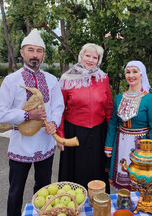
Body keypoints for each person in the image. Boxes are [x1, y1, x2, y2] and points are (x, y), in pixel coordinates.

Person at [0, 29, 64, 216]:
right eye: (30, 50)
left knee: (44, 190)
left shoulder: (51, 79)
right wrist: (27, 116)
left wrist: (54, 122)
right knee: (16, 191)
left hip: (45, 144)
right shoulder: (11, 80)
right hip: (20, 146)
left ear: (44, 55)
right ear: (22, 53)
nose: (35, 55)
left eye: (39, 51)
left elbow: (58, 106)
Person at [56, 43, 113, 192]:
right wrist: (60, 136)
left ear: (99, 60)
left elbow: (108, 107)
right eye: (87, 55)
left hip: (98, 132)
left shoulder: (103, 78)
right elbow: (59, 109)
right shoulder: (67, 78)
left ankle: (98, 203)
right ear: (81, 56)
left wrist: (110, 137)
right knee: (74, 171)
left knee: (96, 170)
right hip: (73, 132)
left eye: (95, 57)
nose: (90, 59)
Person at [104, 60, 152, 190]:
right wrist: (108, 145)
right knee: (122, 176)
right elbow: (113, 122)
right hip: (121, 143)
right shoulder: (119, 97)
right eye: (128, 72)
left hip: (141, 144)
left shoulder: (150, 99)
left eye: (135, 72)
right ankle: (123, 203)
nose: (131, 75)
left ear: (142, 75)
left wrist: (151, 150)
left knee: (140, 179)